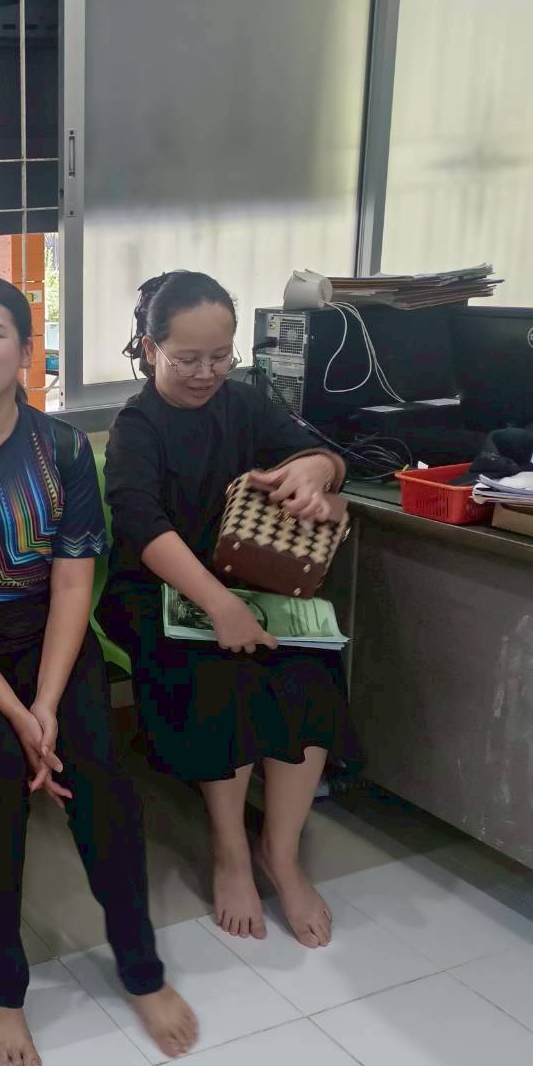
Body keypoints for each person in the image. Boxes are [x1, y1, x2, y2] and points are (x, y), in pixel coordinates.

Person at [0, 275, 198, 1066]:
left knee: (98, 776)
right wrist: (17, 718)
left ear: (23, 348)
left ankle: (141, 969)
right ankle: (1, 986)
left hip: (44, 635)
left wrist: (46, 702)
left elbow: (72, 584)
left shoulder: (62, 449)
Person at [97, 270, 362, 950]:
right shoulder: (137, 426)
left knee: (309, 672)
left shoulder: (242, 402)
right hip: (154, 591)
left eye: (221, 356)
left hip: (246, 581)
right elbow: (140, 525)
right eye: (188, 358)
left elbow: (325, 456)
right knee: (222, 676)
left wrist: (317, 471)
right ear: (150, 348)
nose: (206, 373)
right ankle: (230, 851)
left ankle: (280, 851)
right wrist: (216, 605)